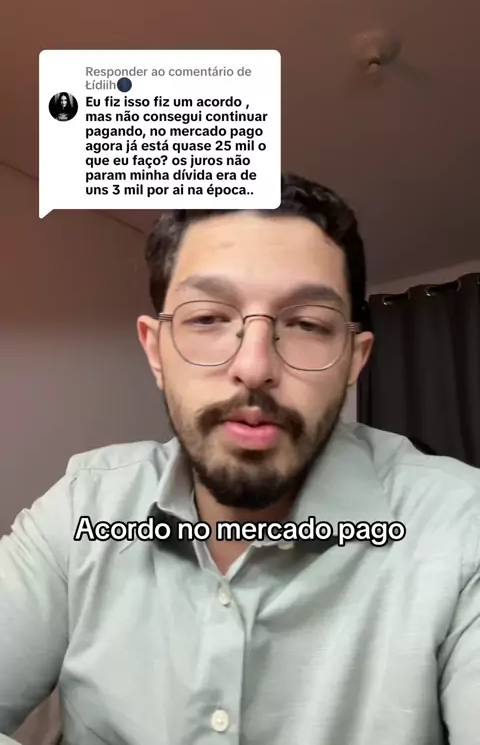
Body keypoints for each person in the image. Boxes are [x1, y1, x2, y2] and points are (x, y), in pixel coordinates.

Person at [1, 173, 479, 744]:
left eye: (307, 324)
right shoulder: (81, 507)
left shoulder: (461, 527)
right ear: (156, 350)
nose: (254, 368)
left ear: (354, 360)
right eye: (208, 318)